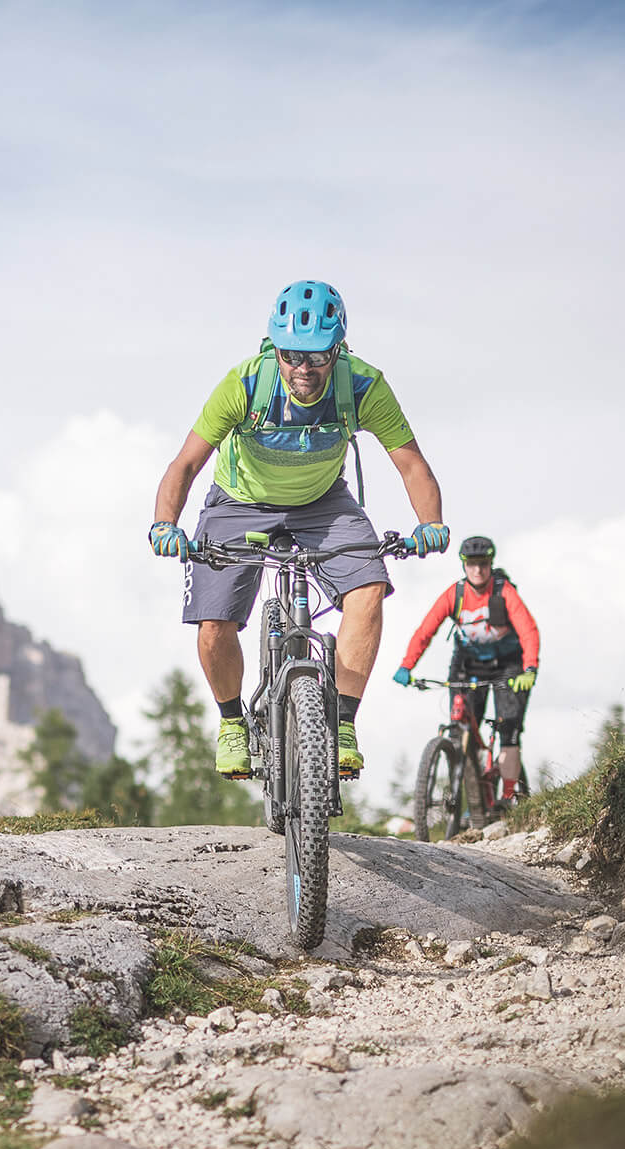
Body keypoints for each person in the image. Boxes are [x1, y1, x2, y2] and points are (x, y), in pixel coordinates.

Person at [148, 280, 449, 781]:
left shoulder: (362, 386)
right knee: (213, 623)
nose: (303, 369)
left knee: (369, 590)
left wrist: (430, 524)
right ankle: (232, 724)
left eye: (317, 357)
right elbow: (184, 465)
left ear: (339, 349)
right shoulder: (245, 384)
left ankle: (344, 724)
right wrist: (165, 524)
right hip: (239, 502)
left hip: (322, 503)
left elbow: (411, 464)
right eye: (291, 355)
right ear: (275, 348)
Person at [393, 535, 542, 805]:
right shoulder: (456, 594)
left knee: (508, 728)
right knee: (459, 726)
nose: (478, 570)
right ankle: (469, 799)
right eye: (471, 564)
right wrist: (406, 666)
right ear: (464, 565)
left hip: (508, 664)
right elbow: (426, 631)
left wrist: (530, 668)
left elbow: (528, 630)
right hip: (467, 664)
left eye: (483, 564)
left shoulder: (504, 591)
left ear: (490, 563)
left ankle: (509, 795)